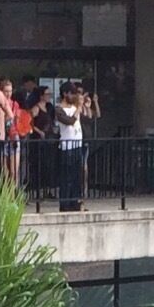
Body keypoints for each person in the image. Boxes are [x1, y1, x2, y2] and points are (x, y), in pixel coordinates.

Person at [51, 79, 88, 212]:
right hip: (67, 147)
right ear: (65, 94)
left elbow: (85, 114)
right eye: (71, 94)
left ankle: (75, 201)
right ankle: (65, 203)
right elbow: (69, 121)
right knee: (66, 176)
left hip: (77, 145)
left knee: (76, 175)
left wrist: (83, 104)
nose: (73, 96)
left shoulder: (74, 108)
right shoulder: (59, 109)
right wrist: (78, 108)